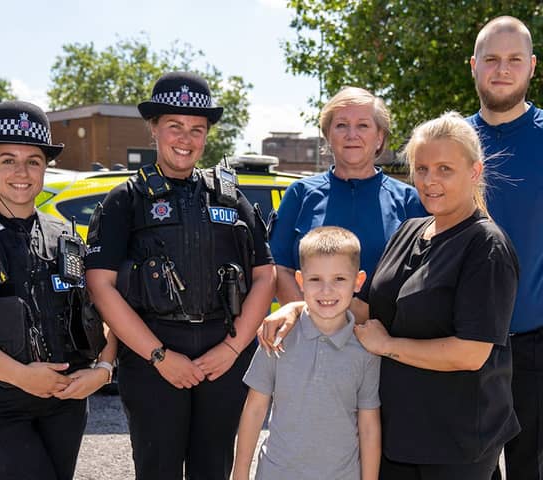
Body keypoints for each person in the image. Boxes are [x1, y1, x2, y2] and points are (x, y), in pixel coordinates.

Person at [261, 112, 520, 479]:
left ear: (475, 172)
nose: (430, 181)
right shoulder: (411, 230)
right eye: (422, 168)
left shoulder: (486, 246)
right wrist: (300, 307)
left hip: (455, 442)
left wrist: (388, 346)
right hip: (396, 432)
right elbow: (371, 310)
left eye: (445, 169)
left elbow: (471, 352)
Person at [85, 71, 276, 480]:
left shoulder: (229, 197)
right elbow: (100, 286)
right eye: (175, 126)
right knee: (158, 470)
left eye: (197, 129)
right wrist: (158, 356)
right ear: (153, 128)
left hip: (223, 357)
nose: (185, 138)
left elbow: (265, 275)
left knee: (214, 467)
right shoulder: (125, 202)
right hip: (152, 358)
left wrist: (232, 347)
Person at [0, 100, 116, 480]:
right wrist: (21, 375)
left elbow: (102, 312)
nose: (21, 172)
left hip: (64, 401)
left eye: (33, 161)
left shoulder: (64, 235)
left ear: (46, 167)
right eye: (8, 159)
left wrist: (104, 370)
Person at [233, 226, 381, 480]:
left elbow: (368, 427)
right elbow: (255, 409)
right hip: (276, 473)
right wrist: (240, 474)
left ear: (358, 282)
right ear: (300, 281)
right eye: (315, 280)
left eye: (339, 279)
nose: (326, 291)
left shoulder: (366, 350)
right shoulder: (277, 335)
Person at [468, 16, 543, 480]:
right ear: (474, 65)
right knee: (470, 470)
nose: (502, 69)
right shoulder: (450, 142)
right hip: (462, 341)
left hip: (536, 339)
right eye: (492, 59)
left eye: (514, 59)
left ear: (532, 67)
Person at [269, 86, 426, 305]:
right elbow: (279, 268)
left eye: (363, 125)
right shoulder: (300, 194)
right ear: (328, 135)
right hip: (311, 334)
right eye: (341, 125)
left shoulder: (410, 201)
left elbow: (423, 277)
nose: (352, 135)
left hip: (383, 335)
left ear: (379, 137)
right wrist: (312, 323)